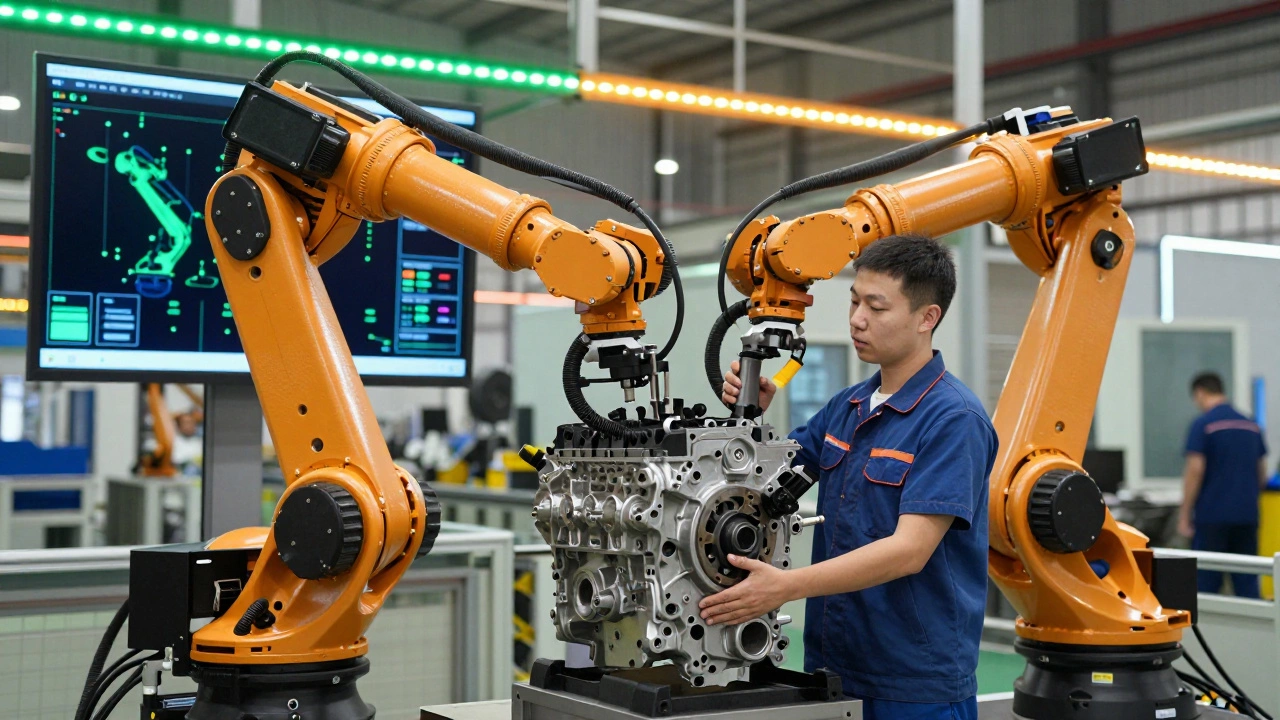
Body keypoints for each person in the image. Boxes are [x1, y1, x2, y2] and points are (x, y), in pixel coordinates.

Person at [702, 234, 997, 720]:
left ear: (928, 318)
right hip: (833, 666)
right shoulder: (849, 407)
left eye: (876, 307)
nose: (857, 319)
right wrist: (752, 415)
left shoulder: (953, 420)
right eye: (855, 301)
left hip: (912, 682)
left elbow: (909, 551)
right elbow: (773, 479)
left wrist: (785, 586)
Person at [1178, 371, 1268, 598]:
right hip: (1247, 516)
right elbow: (1262, 474)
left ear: (1200, 393)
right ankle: (1253, 632)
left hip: (1212, 516)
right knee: (1247, 581)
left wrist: (1184, 515)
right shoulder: (1252, 426)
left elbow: (1195, 471)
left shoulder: (1204, 425)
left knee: (1207, 584)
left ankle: (1208, 633)